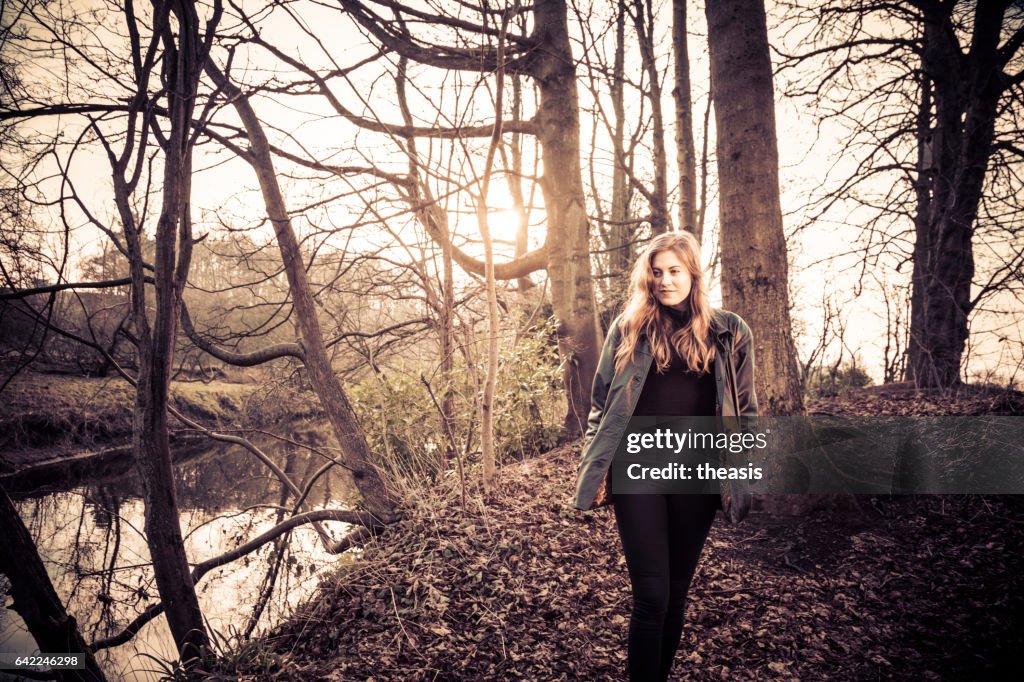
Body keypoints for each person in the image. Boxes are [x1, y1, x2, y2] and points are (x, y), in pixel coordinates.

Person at [574, 231, 759, 681]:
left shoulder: (730, 331)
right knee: (651, 594)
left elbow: (746, 410)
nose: (665, 280)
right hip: (638, 468)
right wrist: (595, 462)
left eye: (674, 271)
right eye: (656, 272)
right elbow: (601, 402)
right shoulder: (629, 327)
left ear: (693, 274)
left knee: (677, 593)